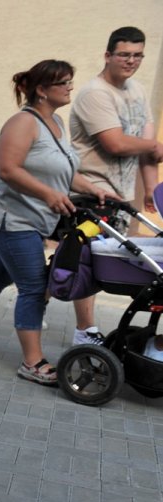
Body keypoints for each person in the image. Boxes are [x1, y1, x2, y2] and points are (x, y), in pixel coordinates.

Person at [0, 60, 111, 385]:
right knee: (34, 288)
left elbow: (62, 170)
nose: (70, 87)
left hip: (33, 218)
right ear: (41, 90)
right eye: (63, 82)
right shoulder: (23, 123)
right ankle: (32, 362)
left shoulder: (57, 123)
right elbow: (9, 169)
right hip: (12, 219)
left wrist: (91, 188)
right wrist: (50, 195)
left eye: (70, 81)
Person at [69, 26, 163, 346]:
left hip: (119, 195)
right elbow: (116, 144)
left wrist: (150, 188)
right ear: (107, 55)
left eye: (138, 55)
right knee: (87, 261)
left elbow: (148, 147)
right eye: (124, 54)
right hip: (89, 190)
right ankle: (85, 331)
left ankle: (29, 298)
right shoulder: (95, 93)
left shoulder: (136, 92)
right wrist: (152, 147)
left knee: (74, 263)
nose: (131, 61)